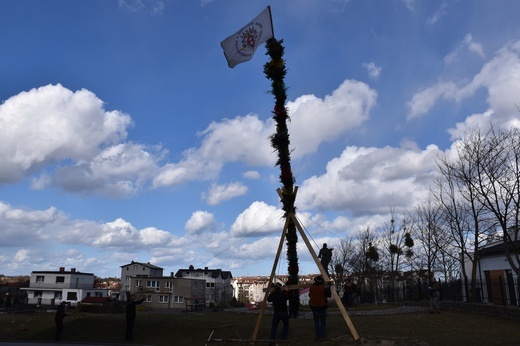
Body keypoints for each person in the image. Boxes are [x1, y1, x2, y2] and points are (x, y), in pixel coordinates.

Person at [309, 275, 331, 341]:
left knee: (316, 322)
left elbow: (310, 295)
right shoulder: (323, 288)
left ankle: (317, 335)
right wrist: (328, 287)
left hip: (314, 306)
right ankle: (321, 336)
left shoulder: (311, 287)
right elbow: (329, 295)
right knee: (322, 322)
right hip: (321, 306)